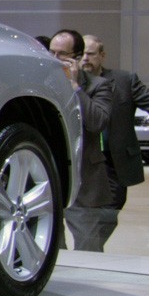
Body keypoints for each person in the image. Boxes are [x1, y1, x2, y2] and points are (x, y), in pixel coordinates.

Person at [80, 34, 149, 248]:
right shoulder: (70, 83)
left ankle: (88, 251)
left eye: (90, 54)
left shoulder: (124, 80)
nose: (85, 59)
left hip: (113, 161)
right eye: (81, 54)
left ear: (102, 55)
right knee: (83, 216)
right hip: (82, 160)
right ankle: (88, 252)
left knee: (110, 212)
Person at [48, 30, 114, 250]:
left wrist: (75, 87)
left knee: (89, 251)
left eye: (62, 54)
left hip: (86, 184)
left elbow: (97, 122)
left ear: (76, 57)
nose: (54, 59)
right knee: (49, 249)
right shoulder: (43, 83)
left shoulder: (99, 85)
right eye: (51, 52)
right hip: (51, 182)